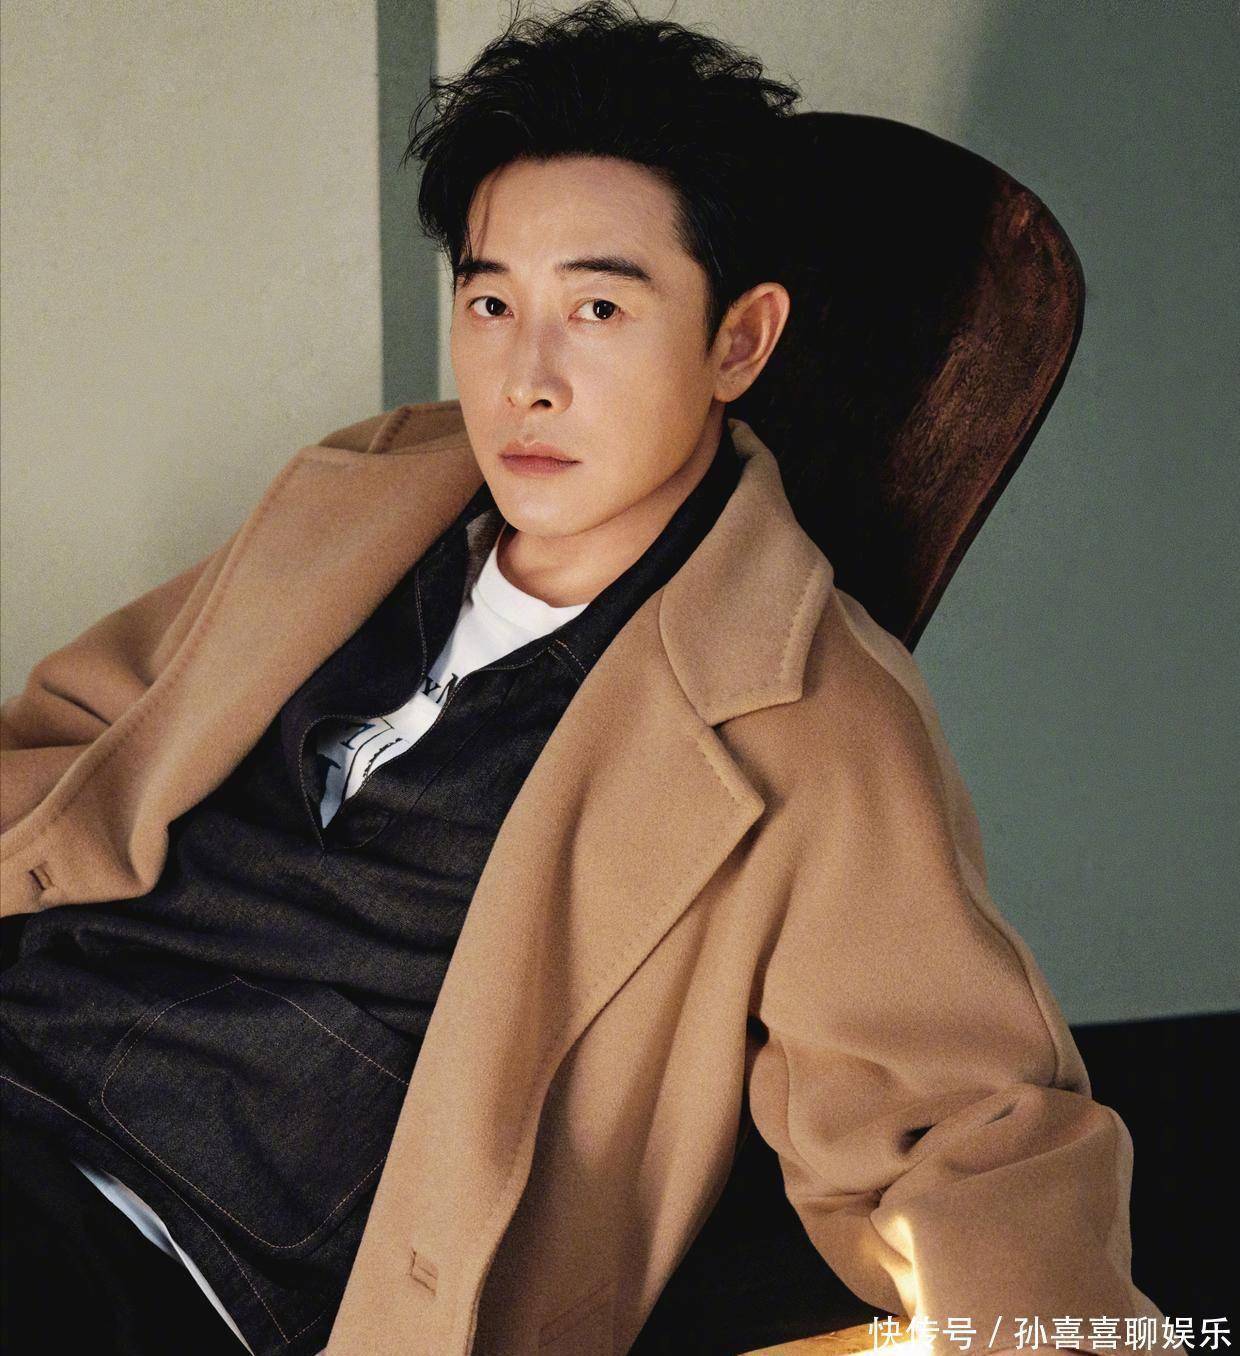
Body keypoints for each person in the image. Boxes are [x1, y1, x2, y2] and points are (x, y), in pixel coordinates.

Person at [0, 3, 1162, 1355]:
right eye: (491, 303)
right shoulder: (369, 493)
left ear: (738, 343)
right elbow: (88, 743)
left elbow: (959, 1121)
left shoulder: (808, 711)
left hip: (179, 1255)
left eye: (598, 308)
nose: (526, 379)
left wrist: (1049, 1331)